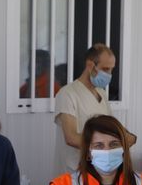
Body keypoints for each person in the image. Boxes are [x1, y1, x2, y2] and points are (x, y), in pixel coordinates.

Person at [53, 44, 136, 178]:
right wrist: (111, 145)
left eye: (111, 70)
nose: (109, 75)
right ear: (90, 65)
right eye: (105, 69)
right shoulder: (68, 94)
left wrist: (127, 137)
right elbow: (71, 138)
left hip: (98, 170)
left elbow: (112, 127)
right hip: (74, 171)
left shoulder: (101, 94)